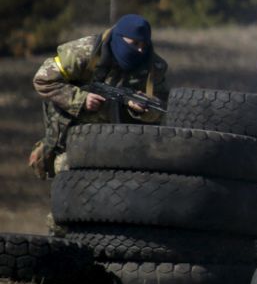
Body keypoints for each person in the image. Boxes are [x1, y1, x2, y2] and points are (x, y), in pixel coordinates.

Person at [30, 13, 169, 178]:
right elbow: (43, 79)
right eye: (135, 43)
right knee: (66, 172)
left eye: (144, 45)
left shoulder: (153, 67)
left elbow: (161, 109)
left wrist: (141, 109)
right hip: (73, 137)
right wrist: (81, 99)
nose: (140, 50)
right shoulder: (84, 52)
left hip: (123, 144)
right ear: (119, 38)